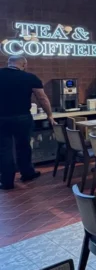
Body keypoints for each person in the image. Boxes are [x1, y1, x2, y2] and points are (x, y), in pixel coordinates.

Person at [0, 55, 56, 190]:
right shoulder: (30, 77)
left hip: (2, 118)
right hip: (23, 118)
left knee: (4, 149)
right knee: (24, 146)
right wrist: (49, 115)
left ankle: (7, 181)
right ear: (24, 64)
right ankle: (27, 173)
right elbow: (42, 98)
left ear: (9, 63)